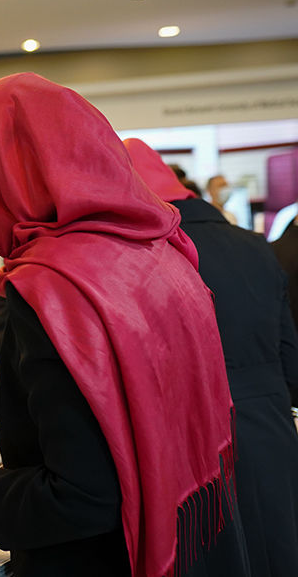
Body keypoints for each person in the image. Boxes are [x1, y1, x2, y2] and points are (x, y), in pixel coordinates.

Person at [0, 73, 248, 577]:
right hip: (192, 540)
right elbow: (132, 418)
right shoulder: (159, 251)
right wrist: (22, 438)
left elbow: (83, 496)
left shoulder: (52, 285)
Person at [125, 137, 298, 577]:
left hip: (195, 447)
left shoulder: (145, 253)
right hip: (271, 430)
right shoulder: (256, 245)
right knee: (278, 550)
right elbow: (290, 358)